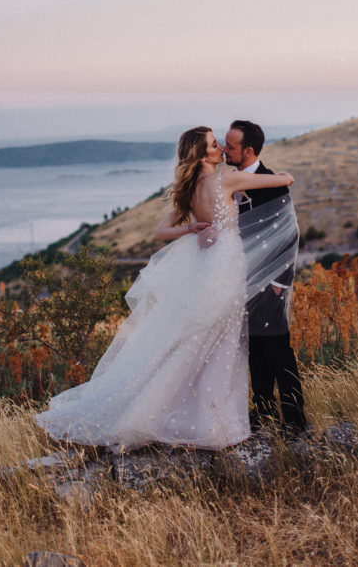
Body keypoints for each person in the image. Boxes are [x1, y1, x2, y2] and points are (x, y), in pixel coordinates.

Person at [35, 126, 294, 451]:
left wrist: (192, 228)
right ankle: (209, 421)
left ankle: (190, 414)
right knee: (220, 344)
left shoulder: (190, 189)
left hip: (206, 268)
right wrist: (281, 175)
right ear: (201, 155)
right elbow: (285, 179)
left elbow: (161, 231)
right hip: (226, 269)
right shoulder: (225, 181)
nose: (220, 149)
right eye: (214, 144)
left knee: (198, 342)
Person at [224, 120, 307, 435]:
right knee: (255, 348)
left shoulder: (272, 183)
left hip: (271, 282)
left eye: (231, 146)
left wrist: (279, 283)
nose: (225, 150)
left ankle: (295, 420)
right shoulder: (230, 181)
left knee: (278, 349)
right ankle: (263, 412)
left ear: (248, 150)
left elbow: (289, 235)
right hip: (241, 280)